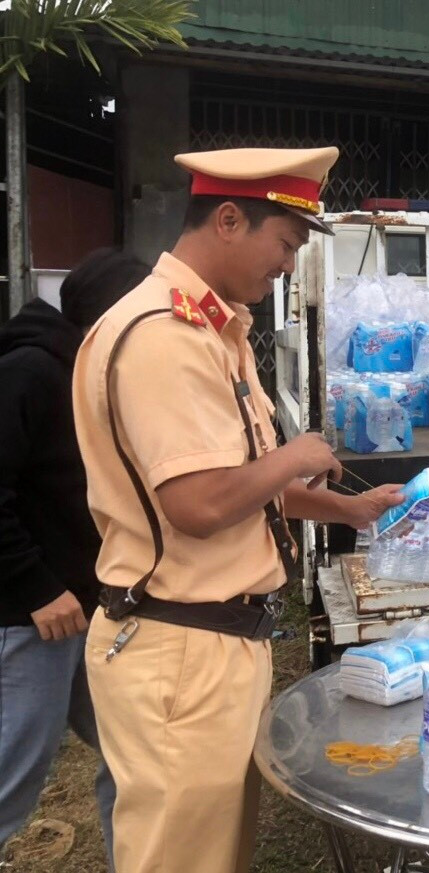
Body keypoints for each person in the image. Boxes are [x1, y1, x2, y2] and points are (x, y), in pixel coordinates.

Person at [73, 147, 404, 873]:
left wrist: (343, 510)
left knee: (214, 851)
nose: (286, 266)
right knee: (181, 858)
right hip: (179, 648)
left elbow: (241, 482)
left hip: (214, 641)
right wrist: (297, 454)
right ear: (228, 219)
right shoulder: (164, 337)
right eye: (283, 244)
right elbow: (196, 504)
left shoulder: (214, 330)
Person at [0, 248, 149, 866]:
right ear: (110, 318)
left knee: (133, 758)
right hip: (30, 617)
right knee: (12, 776)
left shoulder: (91, 373)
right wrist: (35, 587)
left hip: (87, 613)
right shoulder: (30, 372)